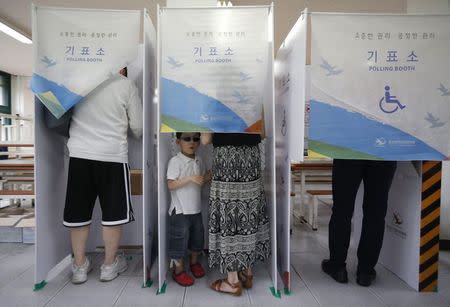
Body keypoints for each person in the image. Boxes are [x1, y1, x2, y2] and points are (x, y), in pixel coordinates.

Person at [63, 67, 142, 284]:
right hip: (112, 156)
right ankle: (109, 265)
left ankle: (79, 266)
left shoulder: (77, 79)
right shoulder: (125, 85)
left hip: (79, 155)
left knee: (78, 213)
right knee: (113, 215)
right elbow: (138, 127)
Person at [201, 132, 271, 296]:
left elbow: (205, 140)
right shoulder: (254, 103)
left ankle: (232, 281)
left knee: (230, 212)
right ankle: (247, 273)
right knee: (248, 210)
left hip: (227, 158)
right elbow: (262, 133)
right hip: (251, 158)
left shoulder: (215, 104)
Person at [322, 159, 397, 287]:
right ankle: (365, 272)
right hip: (383, 150)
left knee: (342, 211)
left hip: (349, 149)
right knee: (375, 214)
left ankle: (338, 266)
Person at [167, 132, 211, 287]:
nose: (192, 142)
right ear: (178, 142)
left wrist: (207, 177)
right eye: (187, 138)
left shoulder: (199, 160)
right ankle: (178, 270)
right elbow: (171, 184)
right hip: (180, 210)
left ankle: (194, 263)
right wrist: (190, 178)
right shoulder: (175, 161)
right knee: (179, 238)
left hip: (195, 209)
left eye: (196, 138)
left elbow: (201, 181)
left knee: (197, 237)